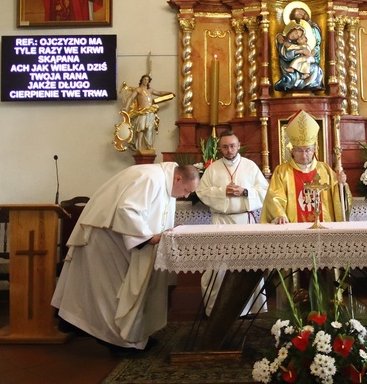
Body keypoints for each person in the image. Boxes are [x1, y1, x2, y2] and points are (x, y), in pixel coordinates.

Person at [52, 163, 200, 356]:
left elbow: (153, 214)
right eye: (187, 191)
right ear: (178, 178)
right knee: (110, 292)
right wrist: (148, 237)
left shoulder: (164, 180)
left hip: (118, 238)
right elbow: (126, 210)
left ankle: (134, 338)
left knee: (119, 290)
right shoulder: (151, 178)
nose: (186, 196)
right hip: (104, 237)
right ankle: (119, 343)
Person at [195, 131, 270, 316]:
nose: (229, 150)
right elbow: (201, 191)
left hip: (245, 221)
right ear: (219, 148)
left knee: (247, 265)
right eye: (225, 146)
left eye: (232, 146)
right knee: (217, 266)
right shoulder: (212, 169)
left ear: (238, 145)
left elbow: (265, 190)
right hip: (221, 221)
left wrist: (245, 192)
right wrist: (222, 192)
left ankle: (249, 309)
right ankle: (216, 310)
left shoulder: (250, 166)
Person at [261, 110, 349, 224]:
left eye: (307, 150)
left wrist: (342, 185)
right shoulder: (282, 172)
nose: (304, 155)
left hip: (324, 228)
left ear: (314, 150)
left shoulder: (325, 170)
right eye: (299, 150)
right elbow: (274, 198)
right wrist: (280, 216)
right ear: (292, 151)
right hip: (293, 229)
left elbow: (339, 199)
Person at [274, 5, 324, 91]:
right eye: (295, 33)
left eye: (298, 35)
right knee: (291, 75)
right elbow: (285, 56)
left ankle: (313, 84)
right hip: (289, 66)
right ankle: (296, 82)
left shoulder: (305, 39)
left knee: (316, 68)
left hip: (304, 63)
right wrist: (298, 52)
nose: (296, 35)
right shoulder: (284, 42)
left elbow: (315, 46)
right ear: (290, 30)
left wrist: (311, 52)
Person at [123, 75, 172, 152]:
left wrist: (168, 92)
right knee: (141, 128)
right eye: (145, 79)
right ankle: (139, 146)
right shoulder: (138, 90)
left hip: (150, 111)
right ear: (142, 80)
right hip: (142, 111)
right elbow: (130, 98)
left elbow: (159, 93)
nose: (146, 81)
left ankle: (149, 146)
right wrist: (126, 107)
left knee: (149, 129)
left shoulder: (150, 90)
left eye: (148, 80)